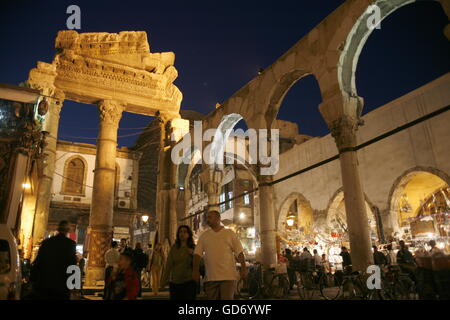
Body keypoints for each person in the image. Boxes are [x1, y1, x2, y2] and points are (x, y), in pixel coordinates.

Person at [192, 210, 247, 300]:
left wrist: (244, 268)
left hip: (228, 277)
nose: (207, 219)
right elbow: (197, 254)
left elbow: (239, 252)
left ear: (218, 218)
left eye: (210, 217)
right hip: (211, 277)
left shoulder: (229, 233)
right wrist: (195, 270)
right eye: (207, 217)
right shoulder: (204, 236)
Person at [30, 220, 78, 300]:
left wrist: (32, 279)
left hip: (44, 284)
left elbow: (38, 261)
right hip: (61, 286)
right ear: (68, 231)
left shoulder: (47, 242)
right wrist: (74, 285)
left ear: (58, 229)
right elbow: (72, 265)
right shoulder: (70, 244)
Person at [161, 225, 197, 300]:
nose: (182, 234)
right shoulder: (174, 248)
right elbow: (169, 265)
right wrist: (164, 281)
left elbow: (200, 263)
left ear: (189, 234)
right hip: (175, 283)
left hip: (189, 282)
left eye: (185, 232)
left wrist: (193, 254)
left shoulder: (193, 247)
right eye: (180, 232)